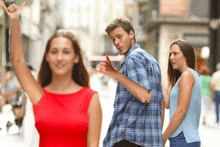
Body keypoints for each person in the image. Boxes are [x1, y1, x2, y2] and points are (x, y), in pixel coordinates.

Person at [3, 2, 102, 147]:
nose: (60, 58)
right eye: (54, 52)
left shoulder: (91, 99)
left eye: (66, 52)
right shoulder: (39, 96)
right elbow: (17, 61)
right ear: (47, 57)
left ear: (76, 58)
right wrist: (15, 21)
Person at [94, 17, 164, 147]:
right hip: (150, 140)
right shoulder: (151, 60)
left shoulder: (133, 58)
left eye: (119, 36)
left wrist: (116, 74)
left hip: (130, 139)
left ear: (131, 34)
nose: (116, 42)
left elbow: (145, 96)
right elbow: (161, 102)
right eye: (113, 39)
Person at [162, 40, 202, 147]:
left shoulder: (187, 76)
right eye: (170, 54)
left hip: (183, 138)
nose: (171, 57)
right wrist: (158, 79)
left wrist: (164, 137)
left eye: (175, 53)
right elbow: (168, 104)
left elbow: (181, 111)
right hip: (182, 138)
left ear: (186, 56)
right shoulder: (186, 76)